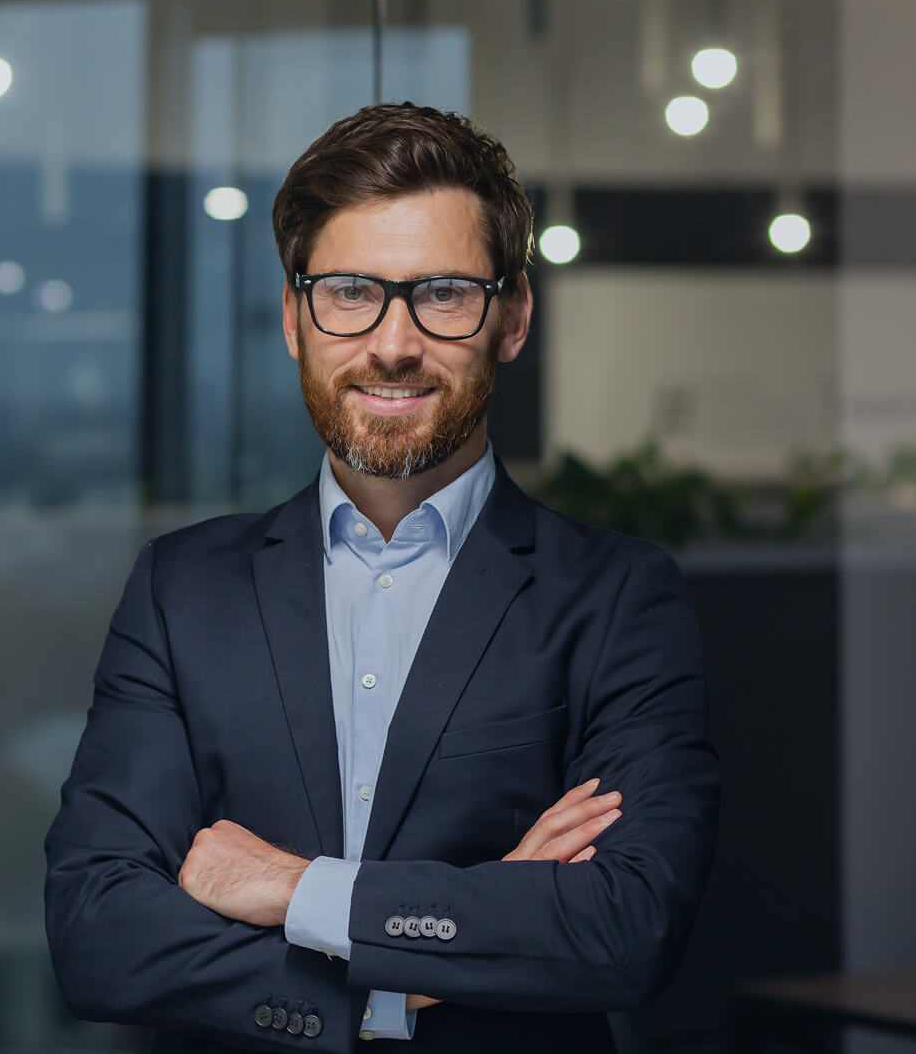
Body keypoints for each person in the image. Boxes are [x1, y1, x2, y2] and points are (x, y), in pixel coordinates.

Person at [44, 102, 720, 1054]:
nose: (393, 342)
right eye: (350, 291)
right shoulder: (181, 588)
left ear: (512, 315)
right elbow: (97, 932)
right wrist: (400, 989)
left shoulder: (614, 597)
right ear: (293, 317)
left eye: (442, 293)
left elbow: (622, 927)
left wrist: (293, 889)